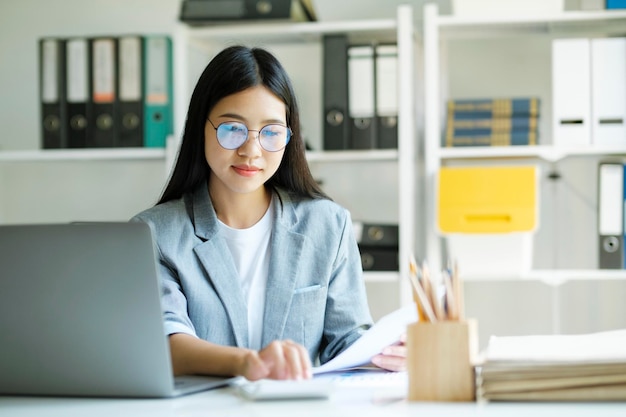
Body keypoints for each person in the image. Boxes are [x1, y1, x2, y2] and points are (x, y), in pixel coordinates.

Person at [131, 45, 406, 381]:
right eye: (232, 129)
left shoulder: (328, 225)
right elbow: (165, 341)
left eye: (271, 132)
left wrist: (383, 352)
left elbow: (346, 342)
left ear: (290, 138)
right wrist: (248, 363)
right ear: (200, 128)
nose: (251, 151)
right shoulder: (154, 233)